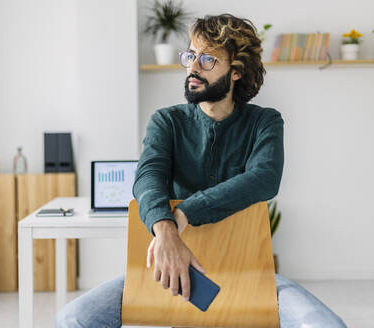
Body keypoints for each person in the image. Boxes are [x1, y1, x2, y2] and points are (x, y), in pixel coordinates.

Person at [56, 13, 347, 328]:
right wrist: (165, 229)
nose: (193, 67)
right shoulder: (166, 121)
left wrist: (184, 214)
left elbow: (264, 178)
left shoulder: (264, 122)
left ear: (235, 72)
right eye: (191, 55)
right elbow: (147, 179)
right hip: (173, 272)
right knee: (73, 318)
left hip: (247, 267)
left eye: (207, 59)